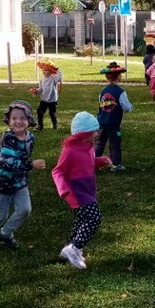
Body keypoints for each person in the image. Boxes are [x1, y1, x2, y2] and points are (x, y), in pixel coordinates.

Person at [0, 100, 46, 250]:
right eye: (14, 118)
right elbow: (9, 162)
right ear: (8, 121)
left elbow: (23, 157)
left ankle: (5, 233)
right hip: (2, 181)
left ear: (29, 120)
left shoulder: (30, 138)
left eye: (23, 118)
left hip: (19, 181)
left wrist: (26, 167)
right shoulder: (8, 138)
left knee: (25, 210)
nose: (18, 121)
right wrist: (31, 165)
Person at [52, 112, 113, 270]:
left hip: (88, 190)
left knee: (82, 220)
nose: (97, 134)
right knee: (93, 218)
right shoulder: (70, 151)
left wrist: (101, 161)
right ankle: (75, 248)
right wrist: (63, 189)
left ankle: (69, 247)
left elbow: (88, 164)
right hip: (76, 192)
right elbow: (58, 171)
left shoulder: (89, 148)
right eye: (94, 131)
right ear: (84, 134)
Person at [95, 62, 134, 173]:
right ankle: (116, 164)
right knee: (115, 144)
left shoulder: (103, 91)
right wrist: (130, 107)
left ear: (106, 77)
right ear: (119, 77)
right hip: (114, 124)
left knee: (99, 143)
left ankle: (92, 162)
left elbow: (100, 105)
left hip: (101, 123)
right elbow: (126, 107)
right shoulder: (120, 92)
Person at [30, 59, 62, 131]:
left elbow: (60, 75)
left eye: (46, 70)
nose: (44, 72)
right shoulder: (42, 80)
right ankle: (40, 126)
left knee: (52, 113)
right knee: (39, 112)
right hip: (44, 99)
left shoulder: (53, 79)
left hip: (52, 100)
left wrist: (56, 68)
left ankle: (55, 125)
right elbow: (41, 89)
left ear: (50, 71)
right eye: (43, 70)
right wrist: (36, 91)